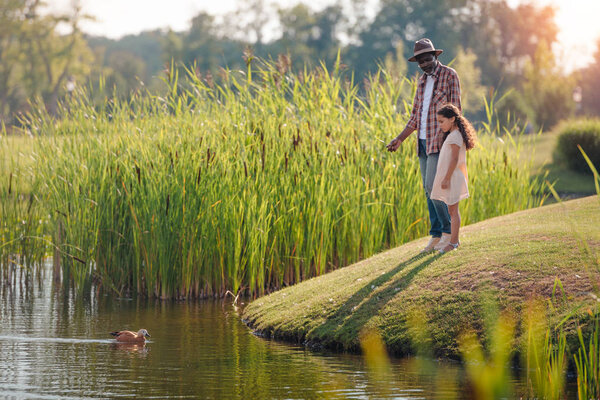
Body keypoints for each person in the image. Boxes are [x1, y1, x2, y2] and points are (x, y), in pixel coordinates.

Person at [386, 38, 461, 253]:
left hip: (441, 141)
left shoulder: (449, 75)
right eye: (420, 61)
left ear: (435, 56)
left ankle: (448, 233)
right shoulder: (421, 82)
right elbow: (415, 117)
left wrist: (453, 141)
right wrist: (400, 139)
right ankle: (436, 235)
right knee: (427, 191)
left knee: (434, 186)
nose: (425, 64)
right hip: (422, 142)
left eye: (427, 59)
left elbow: (456, 111)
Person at [430, 104, 477, 253]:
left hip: (452, 178)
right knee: (452, 210)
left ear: (452, 119)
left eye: (442, 121)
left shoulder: (456, 136)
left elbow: (455, 159)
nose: (440, 125)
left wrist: (446, 178)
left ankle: (454, 243)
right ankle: (453, 241)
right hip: (451, 178)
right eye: (438, 122)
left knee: (453, 211)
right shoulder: (452, 135)